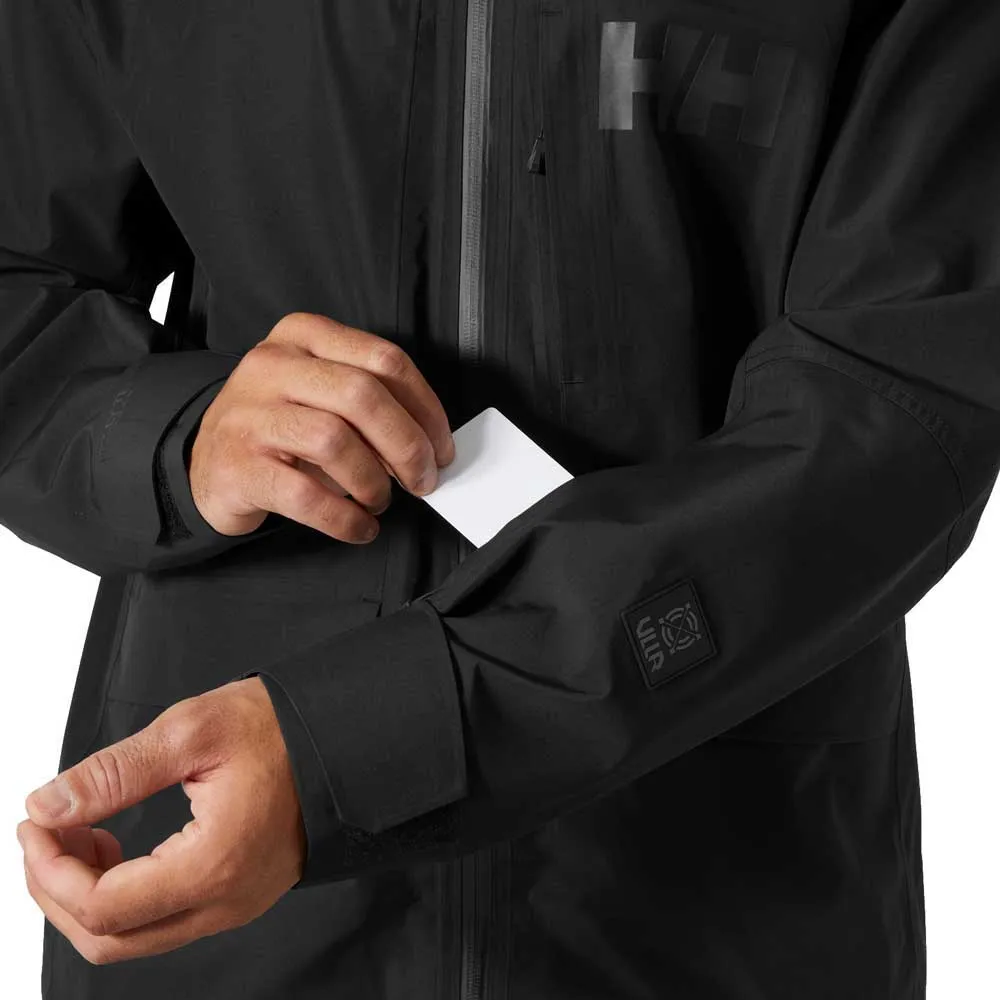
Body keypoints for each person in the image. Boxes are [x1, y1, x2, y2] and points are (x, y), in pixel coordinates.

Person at [2, 0, 998, 997]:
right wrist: (174, 433)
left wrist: (357, 746)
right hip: (221, 867)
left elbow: (898, 400)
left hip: (710, 893)